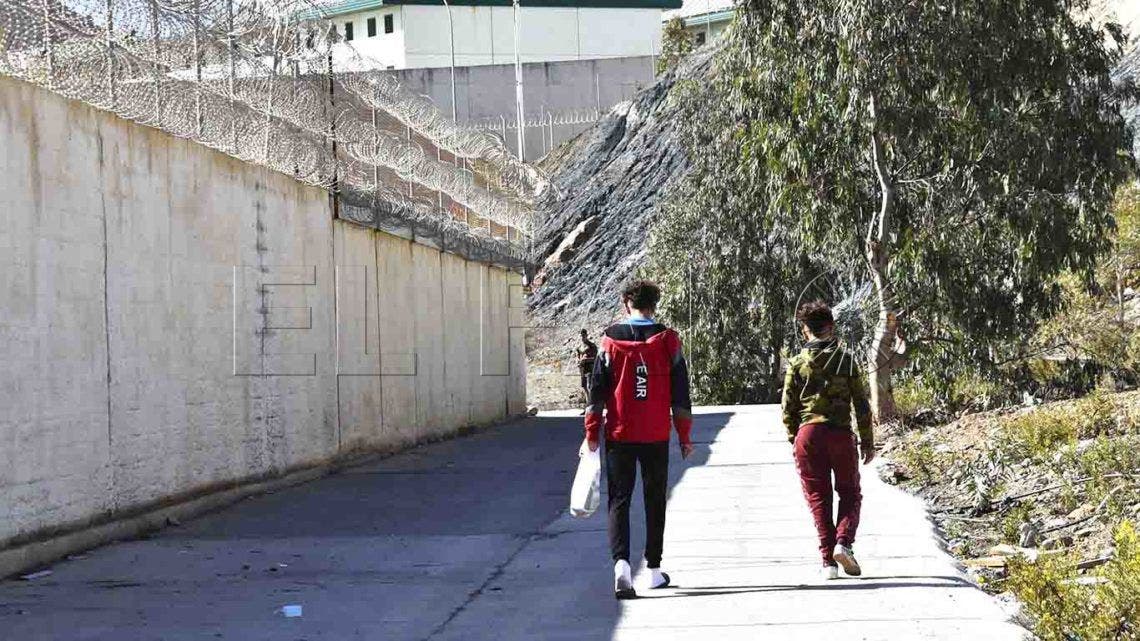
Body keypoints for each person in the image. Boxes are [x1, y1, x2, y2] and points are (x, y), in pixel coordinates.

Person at [584, 280, 693, 599]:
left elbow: (597, 390)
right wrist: (684, 436)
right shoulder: (668, 340)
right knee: (654, 498)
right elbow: (681, 393)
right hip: (656, 433)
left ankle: (621, 568)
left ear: (625, 303)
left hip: (620, 433)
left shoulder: (609, 340)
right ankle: (654, 571)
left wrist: (591, 432)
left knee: (619, 498)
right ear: (654, 304)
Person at [782, 301, 876, 581]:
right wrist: (868, 441)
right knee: (849, 493)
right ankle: (843, 543)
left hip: (808, 435)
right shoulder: (846, 360)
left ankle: (828, 563)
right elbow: (861, 404)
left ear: (804, 331)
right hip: (840, 434)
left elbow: (788, 408)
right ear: (831, 328)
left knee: (818, 498)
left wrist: (794, 439)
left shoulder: (797, 363)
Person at [576, 329, 598, 415]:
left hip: (590, 368)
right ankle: (587, 407)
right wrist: (578, 361)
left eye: (584, 335)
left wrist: (586, 359)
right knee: (585, 387)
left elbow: (596, 358)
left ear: (586, 335)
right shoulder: (579, 347)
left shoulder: (592, 346)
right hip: (582, 368)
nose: (582, 337)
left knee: (589, 387)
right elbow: (578, 356)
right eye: (581, 335)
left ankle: (592, 407)